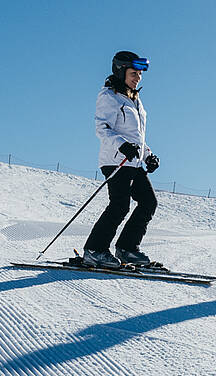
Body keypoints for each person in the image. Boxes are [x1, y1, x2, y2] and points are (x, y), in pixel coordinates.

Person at [81, 51, 161, 269]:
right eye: (133, 73)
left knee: (148, 203)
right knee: (120, 205)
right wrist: (121, 145)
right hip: (116, 161)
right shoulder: (109, 96)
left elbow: (137, 137)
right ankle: (95, 250)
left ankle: (127, 248)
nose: (138, 77)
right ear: (120, 71)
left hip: (133, 162)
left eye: (140, 74)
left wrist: (148, 155)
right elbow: (102, 128)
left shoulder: (135, 100)